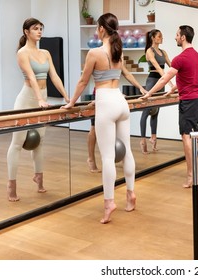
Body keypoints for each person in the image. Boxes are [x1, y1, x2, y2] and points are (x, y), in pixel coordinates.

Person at [62, 13, 145, 223]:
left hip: (106, 104)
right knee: (126, 151)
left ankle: (109, 202)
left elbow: (83, 81)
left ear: (101, 29)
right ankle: (130, 193)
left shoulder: (94, 52)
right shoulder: (118, 49)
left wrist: (72, 102)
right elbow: (117, 76)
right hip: (120, 101)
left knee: (108, 157)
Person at [7, 18, 69, 202]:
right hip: (27, 99)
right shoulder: (22, 53)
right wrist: (40, 99)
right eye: (35, 28)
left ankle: (39, 178)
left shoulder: (46, 52)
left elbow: (54, 76)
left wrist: (67, 96)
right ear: (26, 32)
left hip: (42, 98)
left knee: (40, 140)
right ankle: (11, 185)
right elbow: (32, 78)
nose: (39, 31)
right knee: (17, 142)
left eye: (41, 28)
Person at [141, 25, 198, 188]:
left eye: (177, 35)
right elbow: (187, 79)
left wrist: (149, 93)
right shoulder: (197, 56)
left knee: (186, 136)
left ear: (183, 37)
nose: (175, 37)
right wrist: (170, 91)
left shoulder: (181, 58)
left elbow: (164, 78)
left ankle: (190, 176)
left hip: (189, 102)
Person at [139, 29, 173, 154]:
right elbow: (157, 67)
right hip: (153, 82)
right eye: (159, 36)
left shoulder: (163, 52)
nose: (161, 38)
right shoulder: (149, 51)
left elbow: (172, 66)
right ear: (153, 38)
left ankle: (153, 138)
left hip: (161, 82)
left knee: (156, 111)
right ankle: (142, 140)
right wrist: (168, 82)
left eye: (161, 36)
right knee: (147, 111)